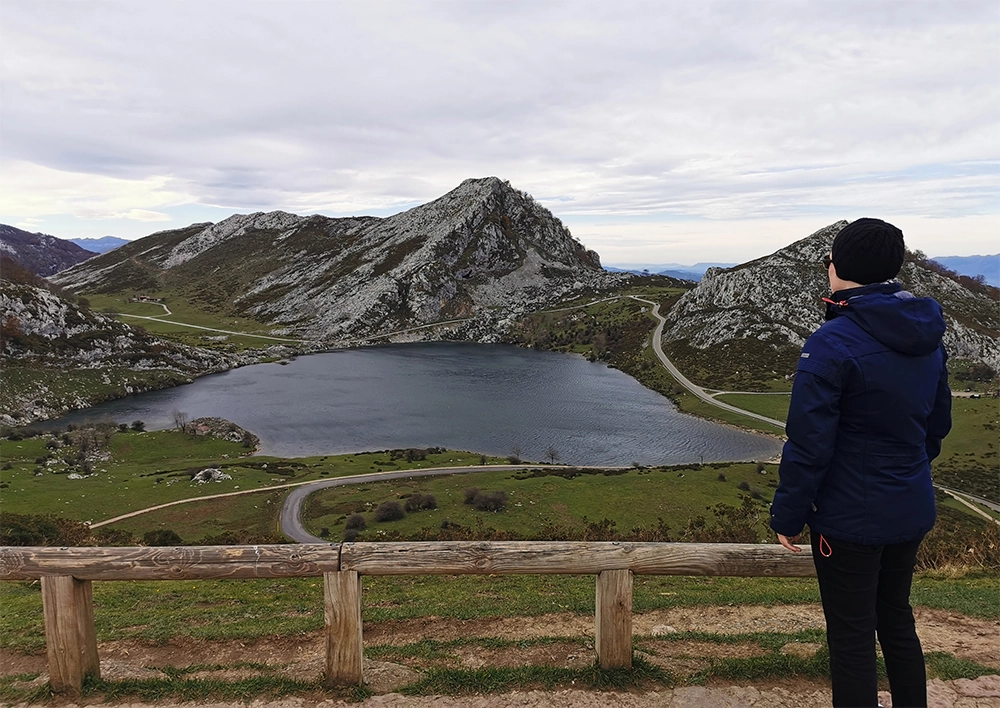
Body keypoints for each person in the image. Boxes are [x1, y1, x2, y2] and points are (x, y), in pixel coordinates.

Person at [769, 218, 952, 708]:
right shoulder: (928, 334)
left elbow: (808, 444)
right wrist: (906, 473)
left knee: (851, 637)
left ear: (836, 268)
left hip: (848, 520)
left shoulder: (832, 341)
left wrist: (788, 514)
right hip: (910, 507)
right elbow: (936, 427)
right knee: (896, 620)